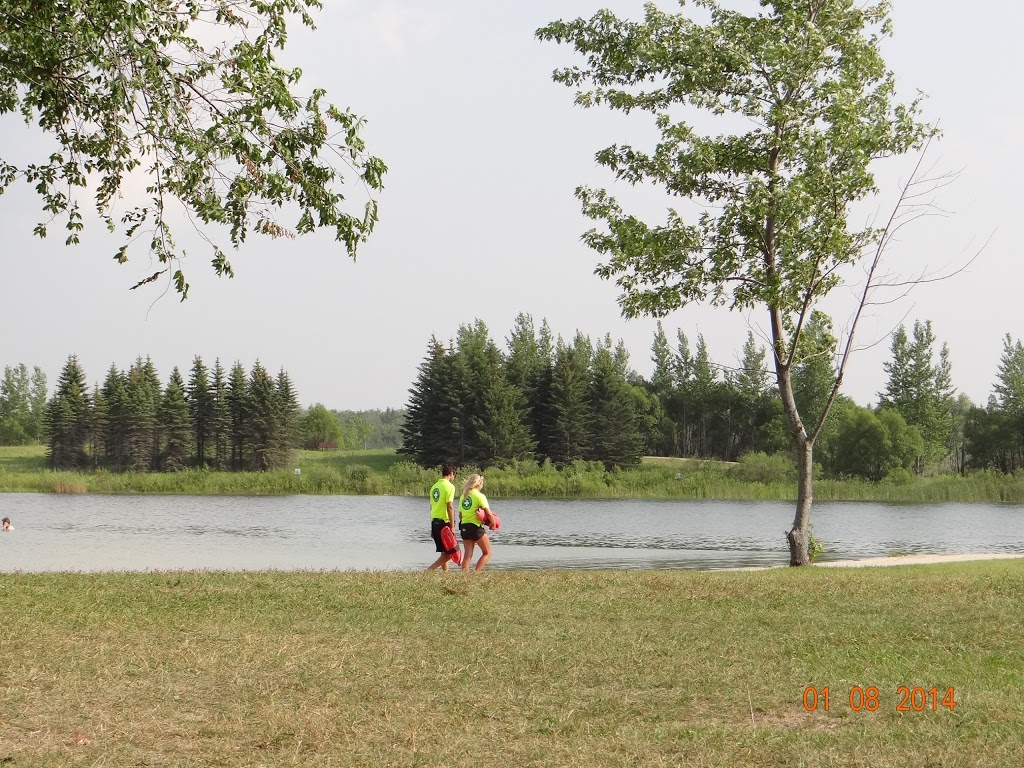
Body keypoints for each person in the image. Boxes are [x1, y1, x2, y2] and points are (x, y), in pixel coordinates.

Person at [458, 473, 495, 572]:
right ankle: (476, 573)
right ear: (479, 484)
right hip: (475, 527)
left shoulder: (463, 497)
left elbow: (460, 516)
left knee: (467, 555)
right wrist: (493, 524)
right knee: (487, 552)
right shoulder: (480, 496)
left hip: (464, 527)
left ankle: (464, 576)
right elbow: (488, 513)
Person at [426, 465, 459, 571]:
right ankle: (430, 570)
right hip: (444, 522)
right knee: (450, 553)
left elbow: (432, 507)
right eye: (454, 474)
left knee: (444, 552)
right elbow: (449, 506)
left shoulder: (434, 487)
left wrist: (432, 526)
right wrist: (453, 526)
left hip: (434, 521)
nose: (454, 477)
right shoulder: (449, 487)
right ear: (451, 474)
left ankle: (445, 575)